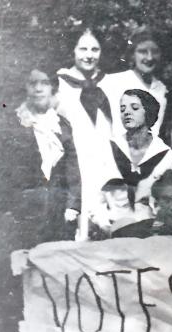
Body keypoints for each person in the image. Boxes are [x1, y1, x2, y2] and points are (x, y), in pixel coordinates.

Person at [0, 67, 81, 246]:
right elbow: (1, 170)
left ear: (53, 88)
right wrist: (4, 209)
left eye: (45, 83)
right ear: (26, 87)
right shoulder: (14, 124)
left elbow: (72, 171)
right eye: (33, 83)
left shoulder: (61, 125)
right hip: (25, 213)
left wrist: (73, 206)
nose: (39, 89)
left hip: (59, 212)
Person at [55, 27, 114, 239]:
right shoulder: (59, 84)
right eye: (83, 49)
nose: (89, 55)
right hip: (74, 166)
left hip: (105, 163)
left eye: (95, 49)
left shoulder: (109, 83)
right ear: (73, 50)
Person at [91, 89, 166, 235]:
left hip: (151, 232)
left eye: (135, 107)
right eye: (122, 109)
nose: (126, 112)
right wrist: (105, 225)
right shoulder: (108, 148)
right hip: (113, 229)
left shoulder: (165, 154)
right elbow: (95, 196)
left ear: (148, 112)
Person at [100, 29, 168, 139]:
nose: (149, 57)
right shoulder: (112, 82)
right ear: (132, 55)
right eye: (143, 51)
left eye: (155, 51)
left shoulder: (162, 89)